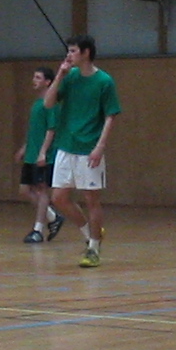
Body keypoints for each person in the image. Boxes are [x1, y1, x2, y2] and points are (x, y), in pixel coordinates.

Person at [46, 36, 119, 268]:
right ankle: (91, 235)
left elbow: (110, 116)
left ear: (86, 53)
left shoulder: (104, 81)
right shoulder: (70, 78)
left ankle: (94, 249)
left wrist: (100, 146)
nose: (69, 55)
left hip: (89, 148)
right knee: (58, 198)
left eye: (73, 51)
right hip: (66, 146)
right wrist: (60, 75)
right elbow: (48, 103)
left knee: (91, 199)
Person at [17, 67, 62, 243]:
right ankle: (53, 217)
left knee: (42, 190)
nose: (33, 80)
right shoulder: (36, 103)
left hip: (44, 154)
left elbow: (51, 129)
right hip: (32, 153)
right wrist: (25, 148)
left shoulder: (50, 104)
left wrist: (43, 152)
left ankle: (38, 230)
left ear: (47, 82)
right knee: (24, 190)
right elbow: (35, 130)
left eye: (38, 77)